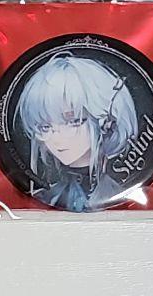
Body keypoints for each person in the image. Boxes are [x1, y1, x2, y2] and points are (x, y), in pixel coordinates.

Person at [15, 53, 139, 212]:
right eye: (45, 127)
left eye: (73, 122)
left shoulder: (119, 190)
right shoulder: (48, 195)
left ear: (105, 120)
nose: (57, 139)